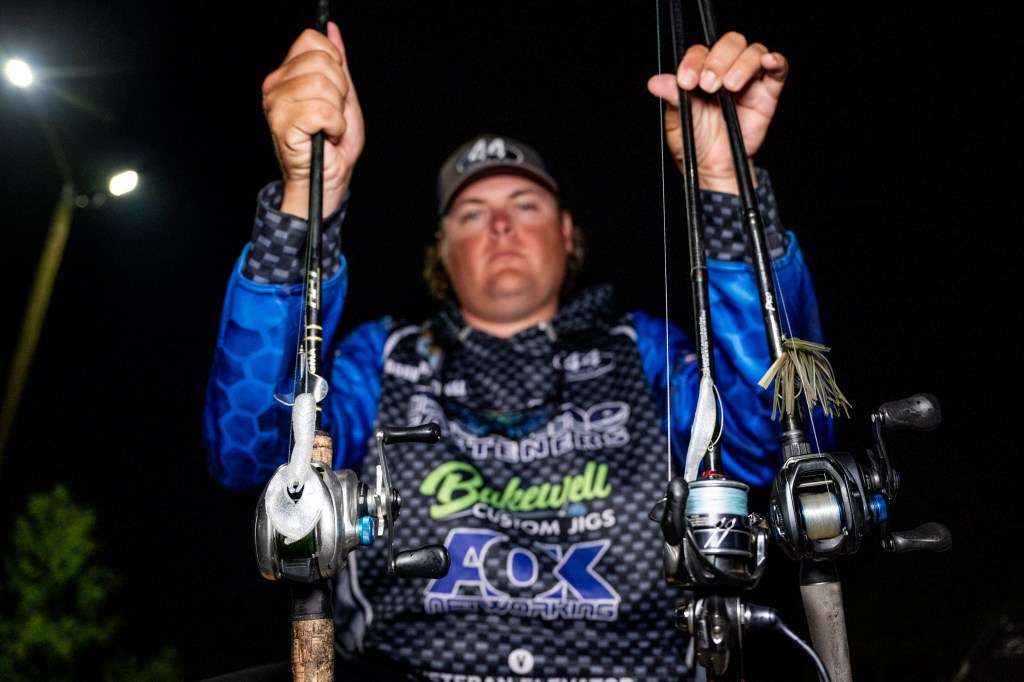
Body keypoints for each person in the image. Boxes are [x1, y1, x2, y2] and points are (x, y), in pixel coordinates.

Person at [203, 21, 832, 682]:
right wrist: (309, 196)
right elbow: (251, 456)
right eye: (472, 214)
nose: (500, 225)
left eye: (525, 204)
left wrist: (725, 184)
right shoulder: (379, 359)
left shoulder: (648, 354)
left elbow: (784, 441)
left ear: (567, 233)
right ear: (442, 251)